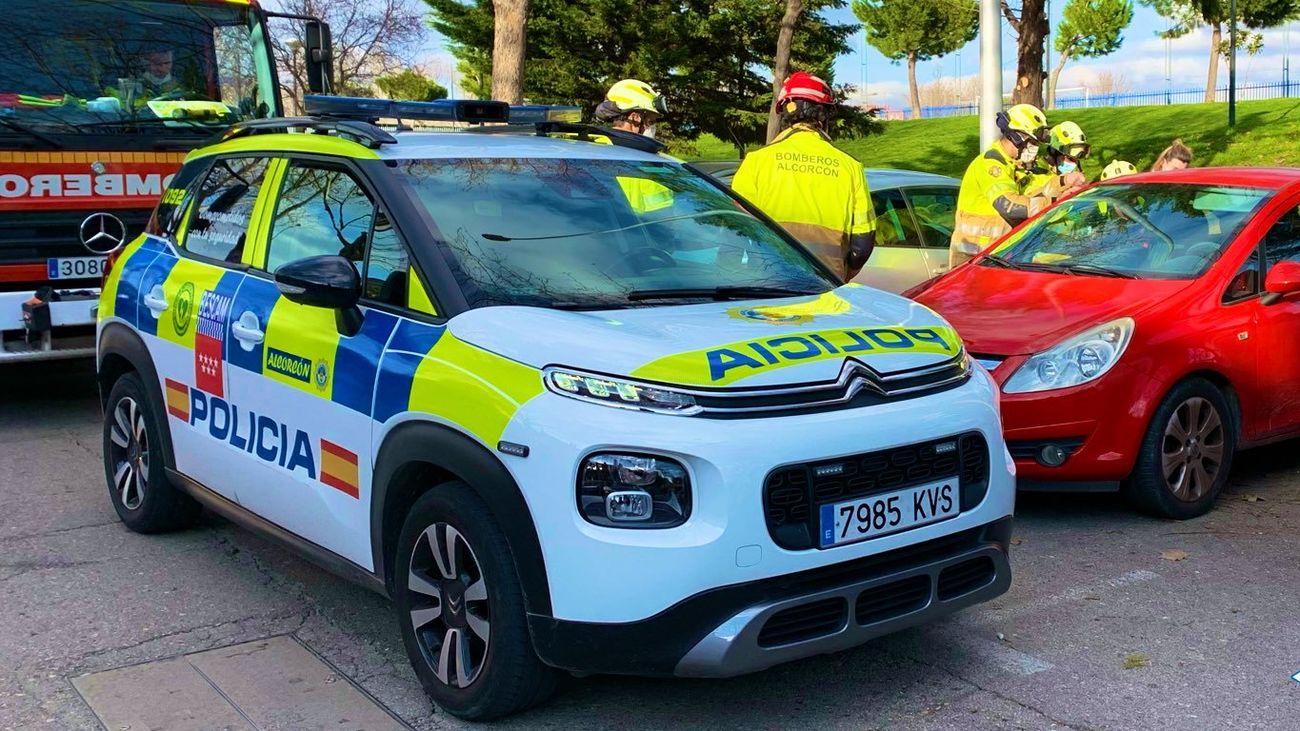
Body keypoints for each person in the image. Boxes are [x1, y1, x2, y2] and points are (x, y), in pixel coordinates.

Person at [731, 71, 876, 280]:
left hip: (764, 282)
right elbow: (862, 244)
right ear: (824, 115)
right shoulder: (850, 167)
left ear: (784, 111)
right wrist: (841, 275)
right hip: (825, 287)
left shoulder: (756, 161)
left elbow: (734, 229)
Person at [950, 103, 1064, 268]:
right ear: (1017, 137)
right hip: (971, 262)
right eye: (1033, 142)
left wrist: (1063, 184)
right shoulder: (990, 165)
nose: (1036, 149)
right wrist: (1054, 204)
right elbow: (1009, 205)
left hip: (993, 259)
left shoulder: (1011, 166)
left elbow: (1028, 199)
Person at [1022, 121, 1091, 200]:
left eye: (1076, 160)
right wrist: (1058, 198)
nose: (1074, 164)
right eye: (1070, 158)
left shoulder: (1075, 179)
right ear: (1054, 153)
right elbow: (1029, 204)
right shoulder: (1037, 173)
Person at [593, 79, 667, 137]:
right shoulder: (637, 154)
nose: (653, 128)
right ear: (635, 118)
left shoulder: (597, 143)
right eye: (651, 122)